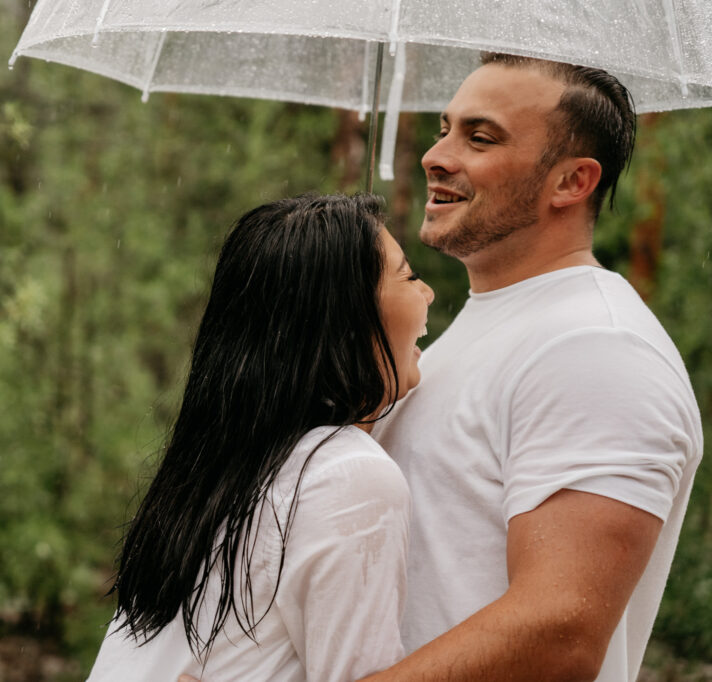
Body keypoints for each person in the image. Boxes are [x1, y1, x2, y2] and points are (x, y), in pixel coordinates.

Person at [358, 54, 703, 682]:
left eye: (479, 137)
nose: (436, 155)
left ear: (572, 182)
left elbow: (559, 631)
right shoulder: (492, 322)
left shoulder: (596, 347)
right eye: (443, 128)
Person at [86, 194, 434, 681]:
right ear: (347, 318)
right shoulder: (350, 477)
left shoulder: (217, 469)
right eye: (409, 276)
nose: (429, 294)